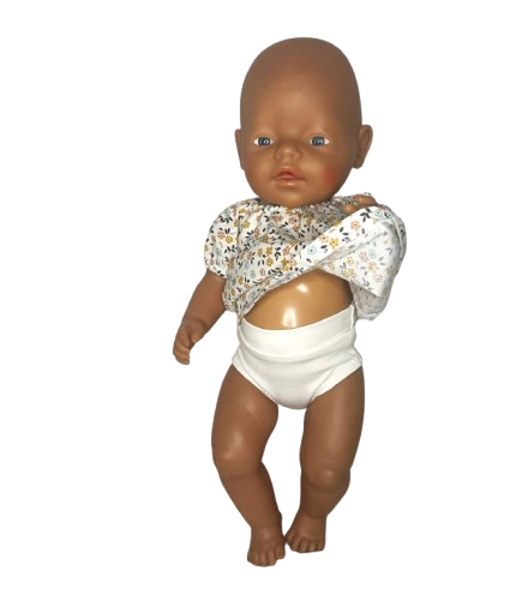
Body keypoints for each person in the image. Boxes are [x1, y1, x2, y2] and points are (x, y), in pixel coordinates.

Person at [173, 37, 406, 567]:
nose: (286, 153)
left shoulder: (352, 224)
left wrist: (367, 222)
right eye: (264, 139)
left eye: (317, 139)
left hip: (331, 371)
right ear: (239, 148)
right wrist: (195, 320)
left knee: (327, 470)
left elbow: (381, 257)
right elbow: (217, 279)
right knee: (231, 456)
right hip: (253, 369)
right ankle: (262, 522)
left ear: (360, 147)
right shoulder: (239, 223)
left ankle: (314, 513)